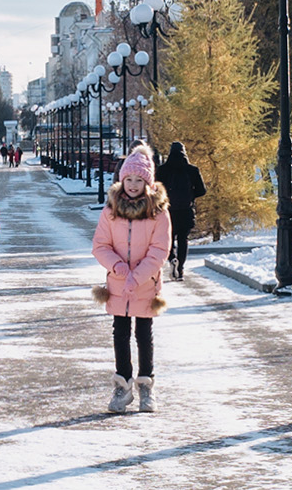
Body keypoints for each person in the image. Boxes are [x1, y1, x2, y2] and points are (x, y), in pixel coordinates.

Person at [90, 144, 171, 414]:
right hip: (117, 281)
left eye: (139, 180)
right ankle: (122, 385)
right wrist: (116, 266)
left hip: (146, 282)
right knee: (120, 331)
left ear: (147, 183)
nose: (133, 185)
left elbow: (160, 250)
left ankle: (146, 385)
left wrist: (137, 275)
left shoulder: (158, 212)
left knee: (144, 333)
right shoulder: (111, 210)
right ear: (121, 180)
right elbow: (100, 244)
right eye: (129, 179)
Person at [155, 141, 207, 282]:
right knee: (183, 239)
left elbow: (156, 190)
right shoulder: (192, 170)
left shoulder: (162, 170)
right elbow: (202, 190)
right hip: (186, 210)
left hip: (168, 210)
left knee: (169, 239)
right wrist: (190, 195)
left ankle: (172, 258)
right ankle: (181, 268)